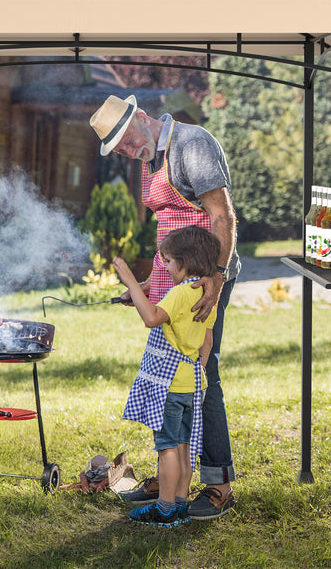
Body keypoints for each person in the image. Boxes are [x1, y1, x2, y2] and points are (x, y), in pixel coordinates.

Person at [90, 94, 240, 519]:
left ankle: (218, 484)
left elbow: (222, 216)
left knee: (201, 376)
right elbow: (170, 228)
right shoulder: (149, 157)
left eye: (125, 139)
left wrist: (216, 277)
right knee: (166, 380)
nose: (126, 150)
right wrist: (148, 285)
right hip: (174, 279)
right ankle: (169, 479)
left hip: (205, 277)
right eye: (118, 148)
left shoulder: (192, 144)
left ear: (141, 117)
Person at [112, 225, 218, 527]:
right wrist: (195, 370)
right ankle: (180, 505)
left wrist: (131, 281)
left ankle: (165, 508)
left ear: (186, 262)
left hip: (170, 386)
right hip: (192, 384)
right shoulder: (205, 295)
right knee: (185, 446)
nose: (166, 268)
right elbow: (207, 342)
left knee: (167, 448)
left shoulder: (181, 293)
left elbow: (151, 318)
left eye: (169, 262)